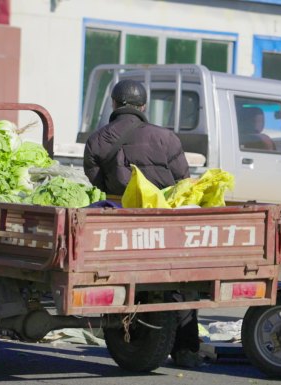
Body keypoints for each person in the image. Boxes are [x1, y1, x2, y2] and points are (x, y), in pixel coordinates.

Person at [83, 79, 202, 368]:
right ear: (144, 106)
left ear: (113, 103)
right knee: (180, 283)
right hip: (163, 223)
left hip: (120, 222)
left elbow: (95, 177)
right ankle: (187, 352)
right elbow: (182, 181)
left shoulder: (97, 139)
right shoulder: (167, 138)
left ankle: (129, 337)